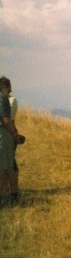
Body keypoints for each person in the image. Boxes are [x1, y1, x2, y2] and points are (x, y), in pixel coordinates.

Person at [0, 76, 19, 205]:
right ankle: (13, 193)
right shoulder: (3, 99)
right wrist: (14, 133)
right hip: (3, 134)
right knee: (8, 165)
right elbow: (6, 120)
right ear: (6, 87)